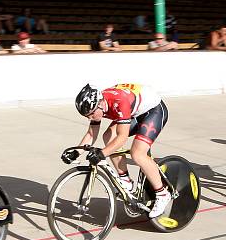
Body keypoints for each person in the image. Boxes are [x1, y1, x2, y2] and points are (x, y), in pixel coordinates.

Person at [65, 83, 172, 218]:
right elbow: (92, 134)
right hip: (134, 112)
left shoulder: (118, 102)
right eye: (86, 116)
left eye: (90, 115)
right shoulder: (98, 106)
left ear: (100, 104)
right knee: (108, 136)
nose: (89, 118)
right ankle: (125, 180)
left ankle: (163, 194)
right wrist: (76, 152)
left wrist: (102, 154)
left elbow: (122, 138)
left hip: (153, 111)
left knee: (137, 154)